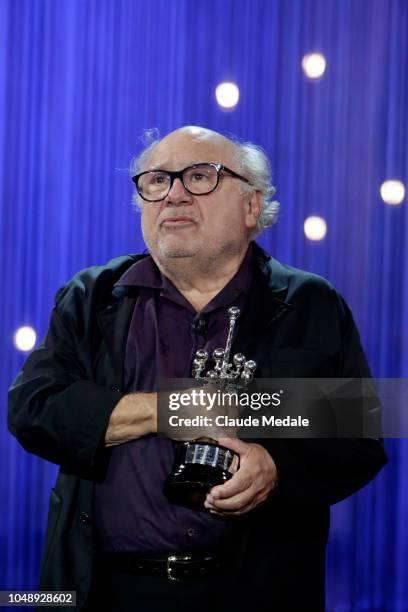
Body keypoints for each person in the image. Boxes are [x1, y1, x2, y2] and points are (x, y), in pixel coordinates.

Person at [8, 126, 387, 611]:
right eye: (156, 181)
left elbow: (360, 439)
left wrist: (276, 467)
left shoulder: (309, 303)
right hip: (106, 592)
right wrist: (170, 409)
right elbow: (34, 410)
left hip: (254, 593)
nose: (174, 195)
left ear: (252, 207)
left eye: (200, 177)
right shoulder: (91, 296)